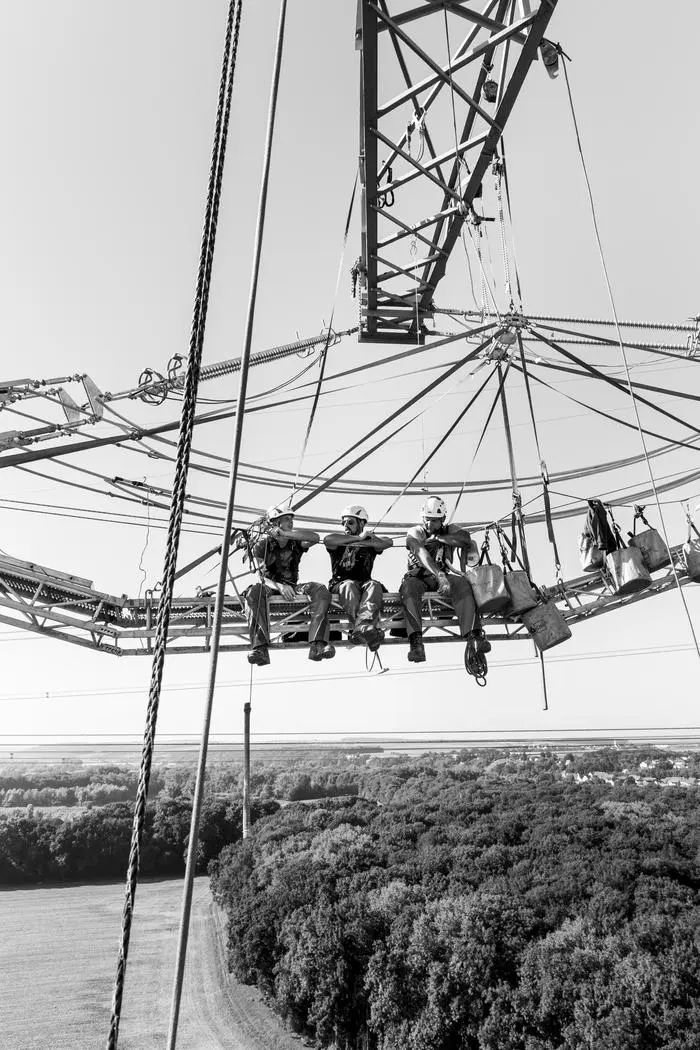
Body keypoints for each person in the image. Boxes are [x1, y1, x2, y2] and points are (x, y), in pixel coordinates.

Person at [399, 496, 491, 666]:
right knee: (409, 588)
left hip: (444, 576)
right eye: (427, 520)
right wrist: (439, 576)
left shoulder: (449, 529)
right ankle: (416, 643)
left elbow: (465, 539)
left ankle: (474, 636)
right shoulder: (416, 532)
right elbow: (419, 550)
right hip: (419, 577)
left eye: (434, 521)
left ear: (442, 520)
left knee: (463, 585)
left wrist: (440, 539)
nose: (429, 524)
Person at [245, 504, 335, 666]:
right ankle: (260, 647)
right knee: (254, 592)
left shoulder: (296, 542)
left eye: (291, 519)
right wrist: (279, 586)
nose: (291, 522)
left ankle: (318, 644)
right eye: (286, 519)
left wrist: (286, 534)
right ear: (275, 522)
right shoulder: (262, 545)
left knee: (320, 590)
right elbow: (260, 575)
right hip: (270, 587)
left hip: (293, 586)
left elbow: (315, 538)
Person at [323, 505, 393, 651]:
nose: (346, 526)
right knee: (349, 585)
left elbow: (387, 542)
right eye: (344, 523)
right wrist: (357, 538)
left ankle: (363, 628)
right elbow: (328, 539)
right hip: (341, 584)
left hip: (364, 583)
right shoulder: (339, 541)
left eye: (350, 522)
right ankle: (364, 630)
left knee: (374, 585)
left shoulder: (370, 542)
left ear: (362, 523)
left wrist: (368, 539)